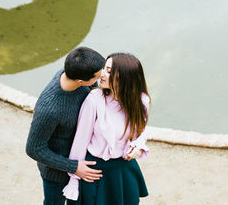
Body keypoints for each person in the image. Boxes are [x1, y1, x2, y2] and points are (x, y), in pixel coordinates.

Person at [63, 52, 151, 205]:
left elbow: (141, 131)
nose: (102, 74)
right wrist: (74, 177)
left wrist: (138, 146)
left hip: (123, 169)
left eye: (109, 71)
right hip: (94, 171)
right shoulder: (95, 99)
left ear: (125, 77)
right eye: (104, 68)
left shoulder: (142, 100)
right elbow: (80, 141)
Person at [26, 47, 105, 205]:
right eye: (98, 75)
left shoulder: (73, 72)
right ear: (80, 82)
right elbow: (34, 148)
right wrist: (74, 167)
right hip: (57, 174)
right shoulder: (49, 109)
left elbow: (94, 88)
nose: (102, 76)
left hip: (82, 161)